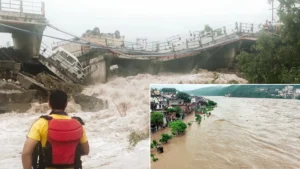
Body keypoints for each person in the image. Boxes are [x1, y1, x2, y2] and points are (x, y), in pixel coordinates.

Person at [22, 90, 89, 169]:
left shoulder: (41, 123)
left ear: (49, 104)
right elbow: (86, 151)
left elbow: (26, 153)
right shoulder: (77, 124)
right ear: (66, 104)